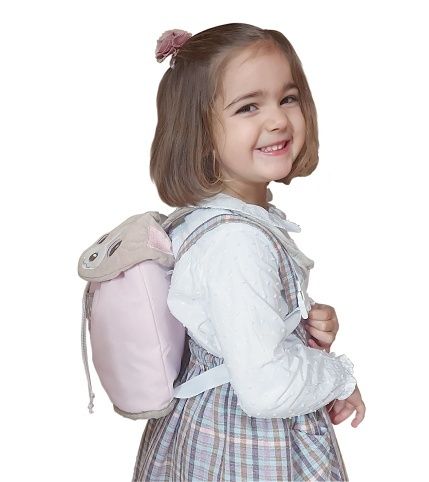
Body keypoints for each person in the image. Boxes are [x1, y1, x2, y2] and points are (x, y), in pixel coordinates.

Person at [132, 22, 366, 481]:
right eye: (248, 106)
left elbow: (230, 330)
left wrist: (299, 328)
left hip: (206, 429)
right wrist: (337, 377)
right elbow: (266, 385)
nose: (277, 119)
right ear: (199, 133)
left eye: (288, 98)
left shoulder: (212, 222)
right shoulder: (236, 242)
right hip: (246, 446)